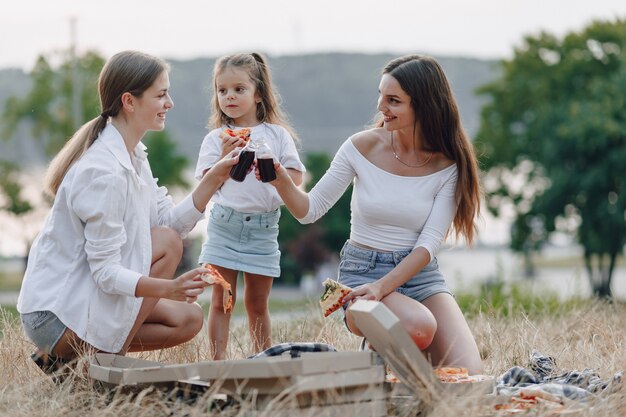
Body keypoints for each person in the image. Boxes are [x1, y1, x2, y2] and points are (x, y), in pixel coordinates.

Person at [17, 51, 238, 370]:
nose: (169, 103)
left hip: (85, 298)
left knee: (188, 319)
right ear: (129, 101)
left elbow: (168, 223)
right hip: (55, 315)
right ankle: (102, 365)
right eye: (161, 95)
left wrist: (215, 176)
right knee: (168, 244)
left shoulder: (134, 155)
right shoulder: (102, 172)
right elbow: (106, 273)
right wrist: (170, 288)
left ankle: (74, 360)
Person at [268, 55, 483, 373]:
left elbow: (428, 245)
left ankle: (393, 353)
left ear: (423, 105)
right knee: (419, 326)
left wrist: (386, 287)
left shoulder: (448, 164)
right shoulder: (360, 147)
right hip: (363, 275)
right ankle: (379, 346)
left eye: (394, 100)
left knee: (469, 375)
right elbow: (309, 211)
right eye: (381, 96)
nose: (382, 107)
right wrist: (280, 179)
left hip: (419, 277)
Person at [195, 53, 305, 359]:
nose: (229, 96)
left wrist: (277, 175)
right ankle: (216, 365)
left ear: (258, 94)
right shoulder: (216, 138)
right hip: (224, 226)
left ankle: (263, 363)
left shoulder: (277, 135)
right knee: (222, 301)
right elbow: (204, 185)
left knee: (258, 303)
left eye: (239, 89)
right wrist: (222, 159)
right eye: (222, 90)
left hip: (263, 229)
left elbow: (296, 178)